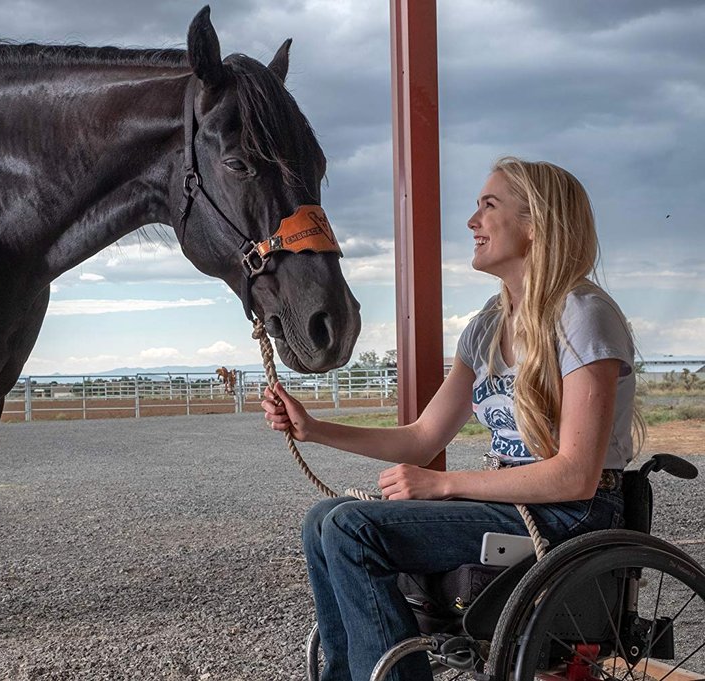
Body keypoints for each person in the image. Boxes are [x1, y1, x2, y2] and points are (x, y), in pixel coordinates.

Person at [262, 157, 638, 681]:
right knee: (322, 519)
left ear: (536, 223)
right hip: (514, 501)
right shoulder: (487, 325)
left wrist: (442, 484)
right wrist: (313, 428)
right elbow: (422, 438)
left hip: (571, 512)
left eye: (489, 205)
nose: (472, 221)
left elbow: (575, 475)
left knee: (353, 527)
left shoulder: (583, 316)